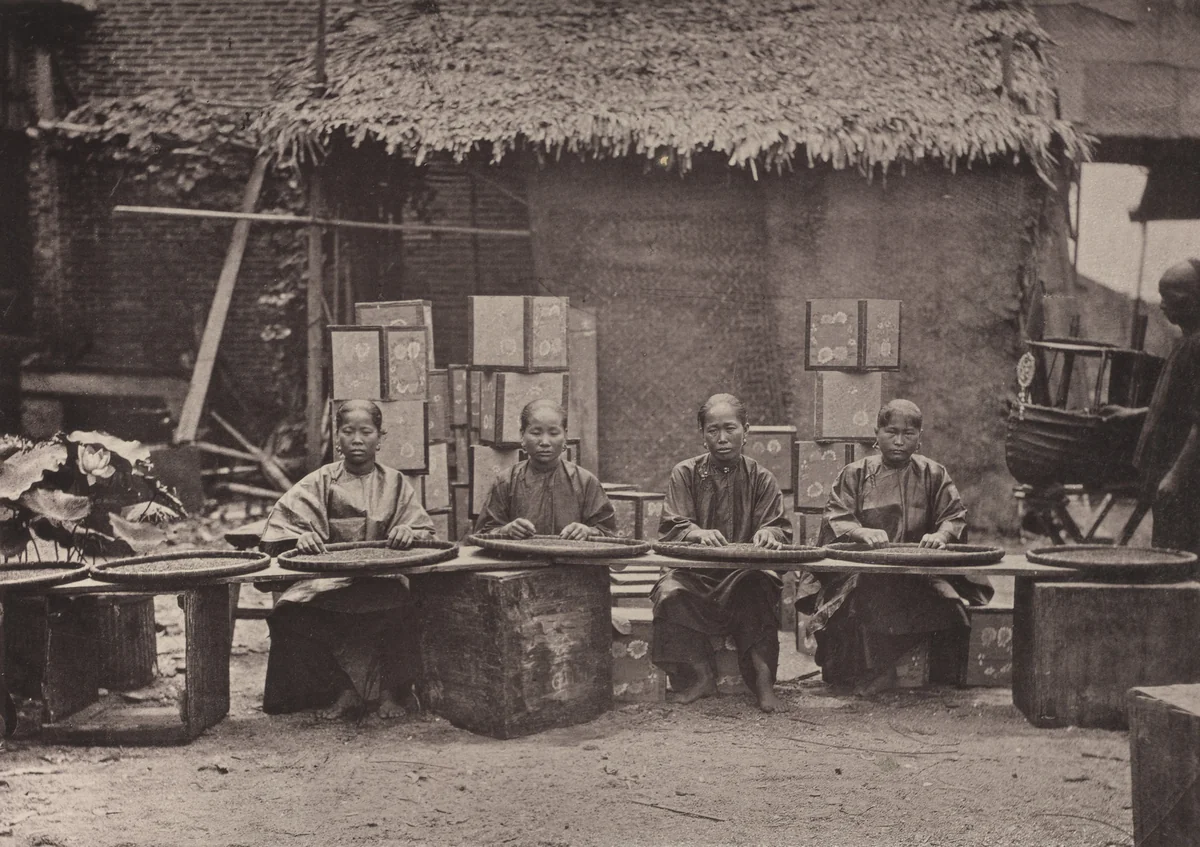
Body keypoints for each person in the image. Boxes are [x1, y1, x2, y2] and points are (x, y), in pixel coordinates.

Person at [258, 399, 435, 720]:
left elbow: (424, 530)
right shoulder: (319, 482)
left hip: (381, 581)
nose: (357, 439)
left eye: (366, 431)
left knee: (410, 610)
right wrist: (302, 538)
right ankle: (341, 692)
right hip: (329, 583)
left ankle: (390, 693)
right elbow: (282, 528)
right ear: (336, 438)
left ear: (380, 437)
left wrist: (408, 531)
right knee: (288, 616)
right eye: (348, 431)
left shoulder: (395, 483)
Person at [802, 399, 992, 696]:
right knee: (861, 603)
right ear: (876, 433)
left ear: (920, 437)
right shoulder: (855, 473)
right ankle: (875, 672)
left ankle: (919, 676)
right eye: (891, 432)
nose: (900, 441)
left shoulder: (934, 474)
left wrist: (941, 536)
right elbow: (836, 517)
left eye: (909, 434)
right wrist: (860, 531)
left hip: (920, 571)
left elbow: (954, 516)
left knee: (951, 604)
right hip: (865, 571)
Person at [651, 393, 791, 712]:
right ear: (702, 435)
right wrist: (696, 533)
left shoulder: (762, 479)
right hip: (694, 574)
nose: (723, 438)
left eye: (730, 428)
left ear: (747, 431)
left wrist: (768, 534)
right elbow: (674, 523)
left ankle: (765, 685)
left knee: (758, 589)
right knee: (669, 593)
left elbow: (777, 525)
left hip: (742, 576)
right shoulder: (684, 474)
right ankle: (700, 677)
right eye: (713, 430)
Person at [1128, 260, 1200, 554]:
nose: (1162, 305)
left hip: (1185, 482)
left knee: (1180, 560)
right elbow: (1174, 411)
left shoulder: (1197, 347)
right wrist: (1132, 414)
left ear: (1194, 301)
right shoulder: (1185, 342)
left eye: (1170, 298)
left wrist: (1175, 477)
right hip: (1168, 476)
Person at [475, 399, 616, 538]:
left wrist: (587, 531)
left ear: (565, 436)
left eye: (554, 433)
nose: (545, 442)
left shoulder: (586, 482)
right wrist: (506, 530)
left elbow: (608, 532)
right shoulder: (506, 481)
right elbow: (482, 534)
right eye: (536, 433)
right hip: (520, 560)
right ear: (522, 435)